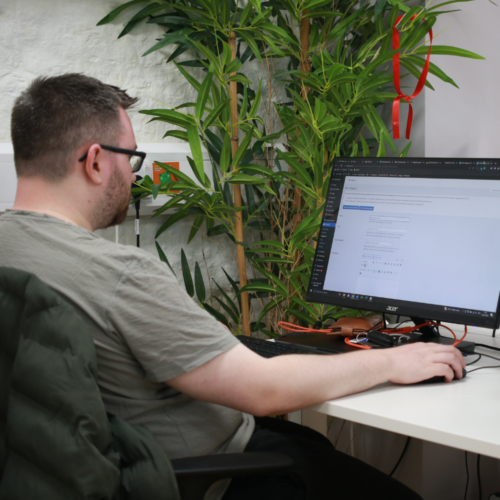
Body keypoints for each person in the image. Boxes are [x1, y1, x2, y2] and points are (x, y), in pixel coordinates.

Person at [0, 74, 465, 500]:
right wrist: (395, 359)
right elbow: (262, 389)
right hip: (212, 476)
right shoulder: (118, 273)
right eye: (132, 157)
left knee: (313, 443)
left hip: (80, 470)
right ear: (97, 161)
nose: (135, 174)